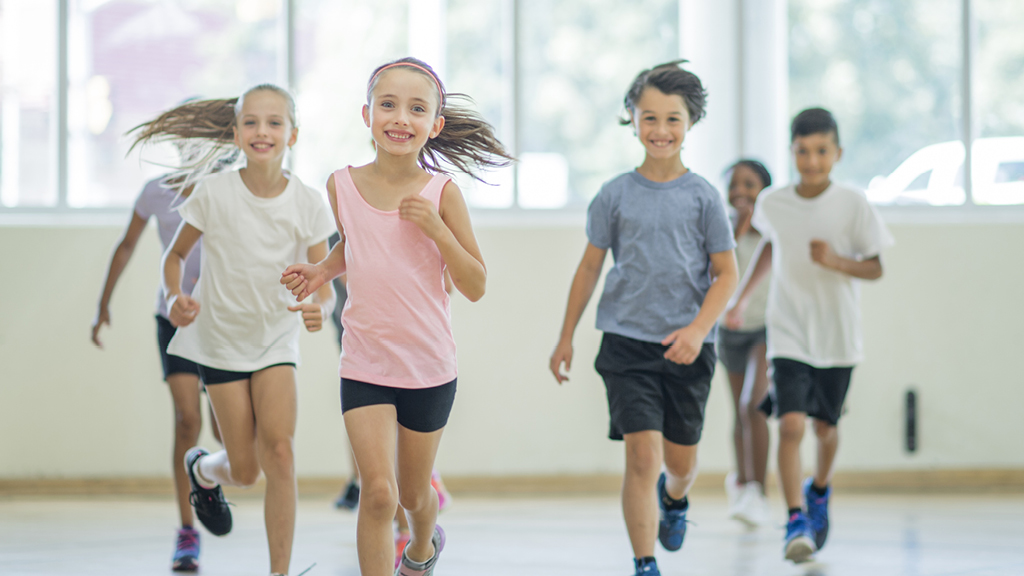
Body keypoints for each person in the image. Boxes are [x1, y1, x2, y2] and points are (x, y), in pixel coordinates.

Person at [281, 57, 512, 576]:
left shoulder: (442, 194)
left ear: (436, 124)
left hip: (428, 368)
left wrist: (437, 229)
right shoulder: (340, 185)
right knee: (379, 493)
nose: (400, 118)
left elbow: (475, 285)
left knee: (412, 494)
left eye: (416, 108)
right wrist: (322, 271)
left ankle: (423, 546)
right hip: (364, 362)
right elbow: (356, 244)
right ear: (367, 115)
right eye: (388, 105)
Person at [132, 84, 337, 576]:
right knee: (245, 471)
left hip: (276, 340)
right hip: (220, 341)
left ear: (292, 134)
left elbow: (325, 283)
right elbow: (175, 257)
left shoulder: (308, 202)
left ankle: (279, 571)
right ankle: (203, 469)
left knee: (280, 452)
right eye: (251, 122)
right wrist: (175, 296)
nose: (262, 131)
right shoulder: (214, 192)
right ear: (237, 133)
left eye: (274, 122)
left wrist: (320, 307)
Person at [549, 60, 738, 576]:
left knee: (679, 464)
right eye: (649, 117)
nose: (660, 130)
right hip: (626, 344)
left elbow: (726, 274)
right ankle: (644, 561)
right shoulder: (614, 194)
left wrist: (698, 330)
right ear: (631, 118)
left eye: (673, 119)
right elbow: (590, 267)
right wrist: (565, 337)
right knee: (641, 456)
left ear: (691, 122)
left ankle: (674, 499)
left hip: (688, 348)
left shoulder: (704, 197)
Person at [726, 108, 893, 563]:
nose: (812, 161)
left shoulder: (853, 203)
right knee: (791, 424)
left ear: (837, 153)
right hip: (788, 331)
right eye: (803, 151)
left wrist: (836, 261)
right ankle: (795, 518)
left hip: (837, 336)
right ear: (792, 152)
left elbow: (876, 267)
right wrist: (741, 298)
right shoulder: (773, 202)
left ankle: (819, 489)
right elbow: (769, 245)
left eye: (822, 151)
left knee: (825, 428)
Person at [90, 158, 228, 571]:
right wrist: (103, 304)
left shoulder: (228, 188)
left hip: (223, 321)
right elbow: (127, 245)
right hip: (174, 318)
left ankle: (206, 474)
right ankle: (187, 531)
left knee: (225, 429)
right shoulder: (156, 190)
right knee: (187, 420)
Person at [717, 159, 773, 528]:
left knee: (753, 405)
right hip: (729, 332)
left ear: (764, 190)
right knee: (738, 410)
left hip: (766, 329)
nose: (741, 191)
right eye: (734, 185)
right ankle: (741, 483)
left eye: (749, 184)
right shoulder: (721, 230)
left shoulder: (773, 230)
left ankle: (758, 490)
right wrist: (735, 232)